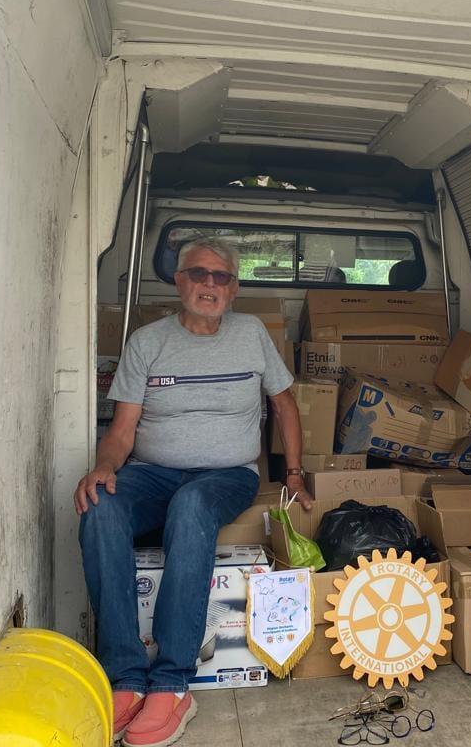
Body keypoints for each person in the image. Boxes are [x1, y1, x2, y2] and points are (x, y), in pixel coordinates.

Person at [75, 237, 312, 747]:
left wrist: (293, 475)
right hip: (153, 471)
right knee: (101, 508)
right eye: (198, 274)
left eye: (220, 277)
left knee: (192, 505)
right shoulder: (147, 342)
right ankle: (125, 678)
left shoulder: (251, 334)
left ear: (235, 288)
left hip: (226, 475)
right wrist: (103, 468)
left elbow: (285, 407)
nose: (209, 284)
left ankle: (172, 682)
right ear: (179, 282)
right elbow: (121, 431)